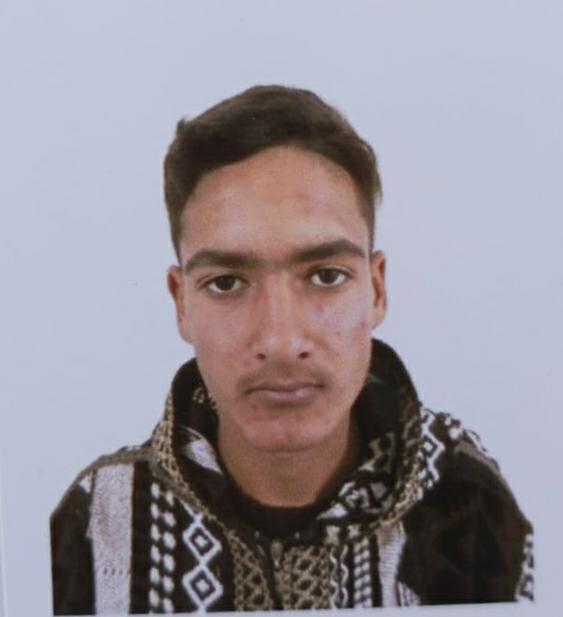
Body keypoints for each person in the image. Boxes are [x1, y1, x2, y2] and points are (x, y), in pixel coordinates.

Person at [50, 85, 534, 613]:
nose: (281, 343)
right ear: (181, 302)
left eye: (326, 276)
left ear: (376, 289)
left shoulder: (470, 497)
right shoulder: (93, 523)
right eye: (227, 283)